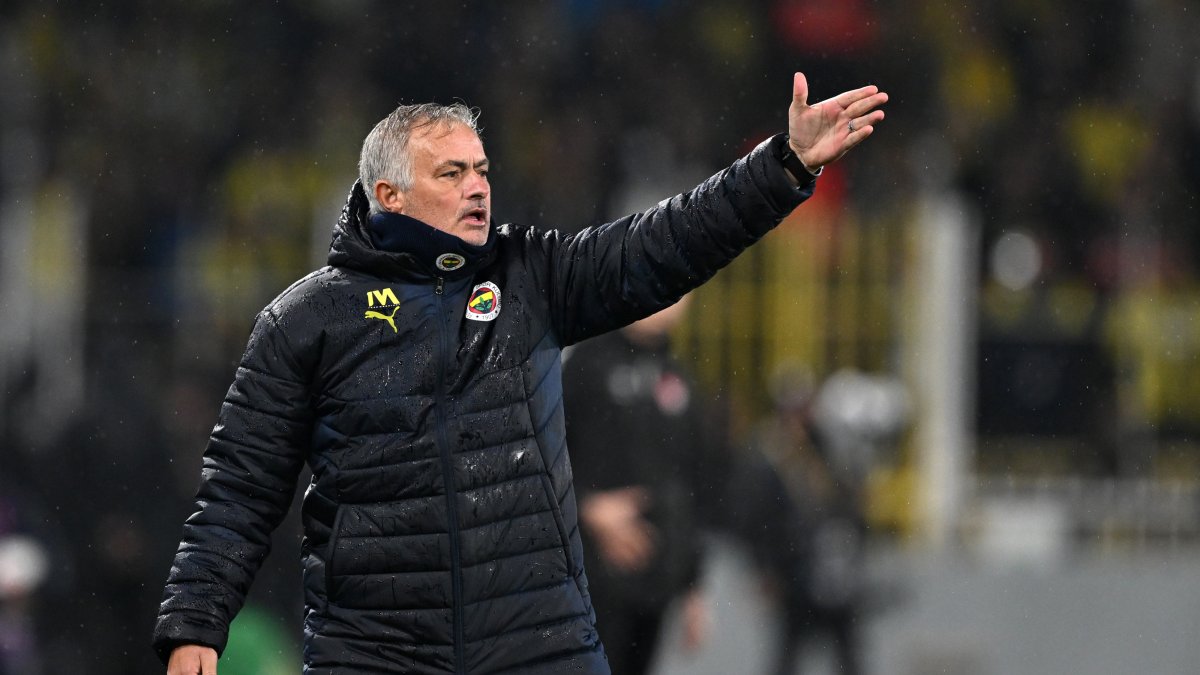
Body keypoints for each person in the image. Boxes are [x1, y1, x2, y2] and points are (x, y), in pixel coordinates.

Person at [153, 72, 888, 675]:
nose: (479, 187)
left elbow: (665, 244)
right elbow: (238, 490)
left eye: (482, 170)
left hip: (540, 644)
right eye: (452, 173)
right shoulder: (306, 321)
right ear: (389, 196)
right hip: (375, 651)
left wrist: (782, 166)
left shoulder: (530, 277)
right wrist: (195, 622)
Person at [562, 294, 717, 675]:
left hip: (656, 582)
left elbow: (696, 486)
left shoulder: (680, 378)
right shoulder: (584, 365)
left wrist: (693, 586)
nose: (669, 297)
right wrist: (586, 507)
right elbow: (537, 457)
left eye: (684, 285)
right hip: (588, 579)